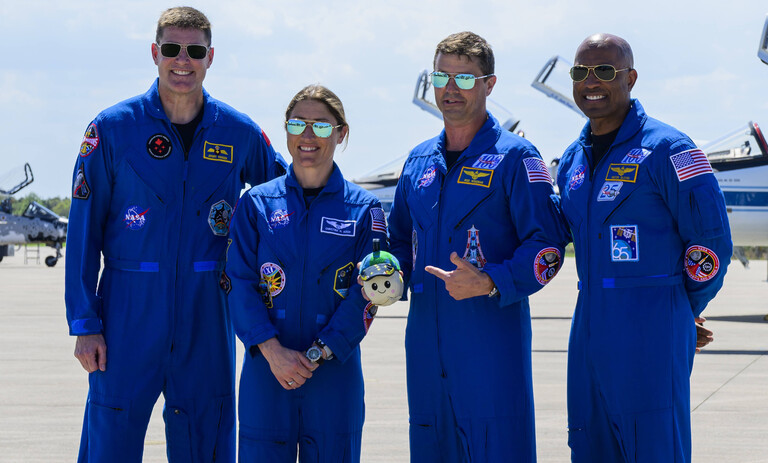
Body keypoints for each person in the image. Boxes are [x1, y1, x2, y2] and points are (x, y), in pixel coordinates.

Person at [65, 7, 286, 462]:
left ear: (210, 57)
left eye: (194, 51)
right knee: (111, 437)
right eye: (171, 49)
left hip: (208, 309)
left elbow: (283, 199)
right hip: (127, 310)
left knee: (207, 437)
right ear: (154, 53)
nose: (182, 61)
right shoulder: (112, 129)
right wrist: (85, 323)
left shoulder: (240, 132)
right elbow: (82, 231)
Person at [387, 31, 570, 462]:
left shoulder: (518, 158)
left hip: (490, 344)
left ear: (489, 84)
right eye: (441, 76)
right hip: (425, 346)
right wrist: (388, 271)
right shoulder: (416, 162)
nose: (450, 89)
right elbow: (397, 240)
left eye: (464, 79)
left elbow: (548, 245)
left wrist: (491, 281)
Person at [556, 33, 732, 462]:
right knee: (588, 441)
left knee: (653, 446)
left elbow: (710, 245)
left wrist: (677, 310)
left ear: (630, 78)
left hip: (652, 329)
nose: (590, 81)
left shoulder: (670, 150)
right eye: (581, 72)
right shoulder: (571, 162)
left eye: (604, 71)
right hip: (589, 327)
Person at [226, 85, 387, 462]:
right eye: (297, 123)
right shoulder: (255, 204)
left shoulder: (364, 210)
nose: (307, 135)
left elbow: (369, 293)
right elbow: (238, 281)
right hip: (266, 370)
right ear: (286, 130)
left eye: (321, 125)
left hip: (332, 373)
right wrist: (272, 350)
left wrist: (319, 351)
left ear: (341, 132)